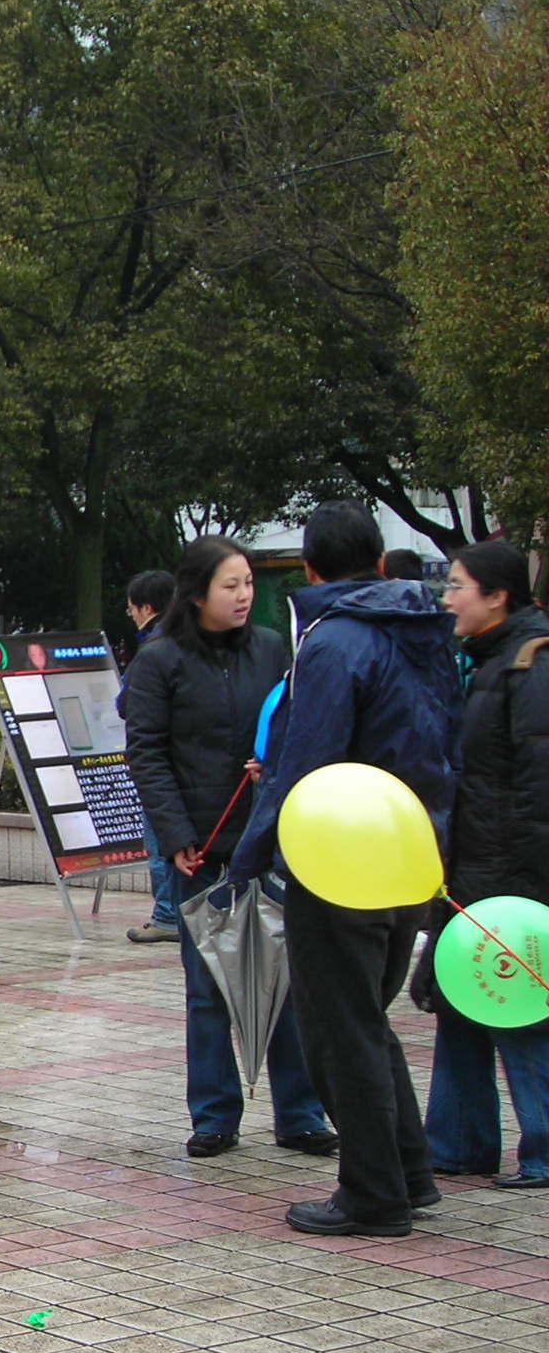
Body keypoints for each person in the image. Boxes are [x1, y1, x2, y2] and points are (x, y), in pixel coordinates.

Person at [231, 501, 462, 1237]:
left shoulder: (334, 642)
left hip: (342, 856)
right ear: (379, 559)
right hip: (411, 849)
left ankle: (373, 1194)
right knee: (366, 1018)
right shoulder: (424, 631)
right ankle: (409, 1171)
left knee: (338, 1029)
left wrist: (252, 853)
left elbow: (308, 760)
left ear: (309, 569)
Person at [125, 537, 335, 1159]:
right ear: (197, 594)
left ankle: (300, 1114)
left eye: (248, 583)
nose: (244, 595)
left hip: (270, 841)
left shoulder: (270, 648)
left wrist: (273, 765)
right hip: (204, 849)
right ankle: (215, 1116)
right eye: (231, 585)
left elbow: (296, 725)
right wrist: (177, 836)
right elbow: (147, 755)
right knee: (209, 987)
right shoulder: (159, 660)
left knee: (285, 981)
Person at [418, 540, 549, 1191]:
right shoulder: (482, 661)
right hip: (472, 869)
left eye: (457, 586)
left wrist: (522, 887)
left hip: (510, 878)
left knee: (517, 1008)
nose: (447, 599)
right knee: (460, 999)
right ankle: (458, 1142)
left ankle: (543, 1149)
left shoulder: (531, 665)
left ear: (497, 596)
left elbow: (537, 788)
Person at [117, 569, 182, 945]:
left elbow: (127, 703)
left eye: (131, 609)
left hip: (161, 762)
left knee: (160, 841)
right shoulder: (195, 640)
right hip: (195, 762)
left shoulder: (154, 648)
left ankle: (167, 915)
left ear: (145, 608)